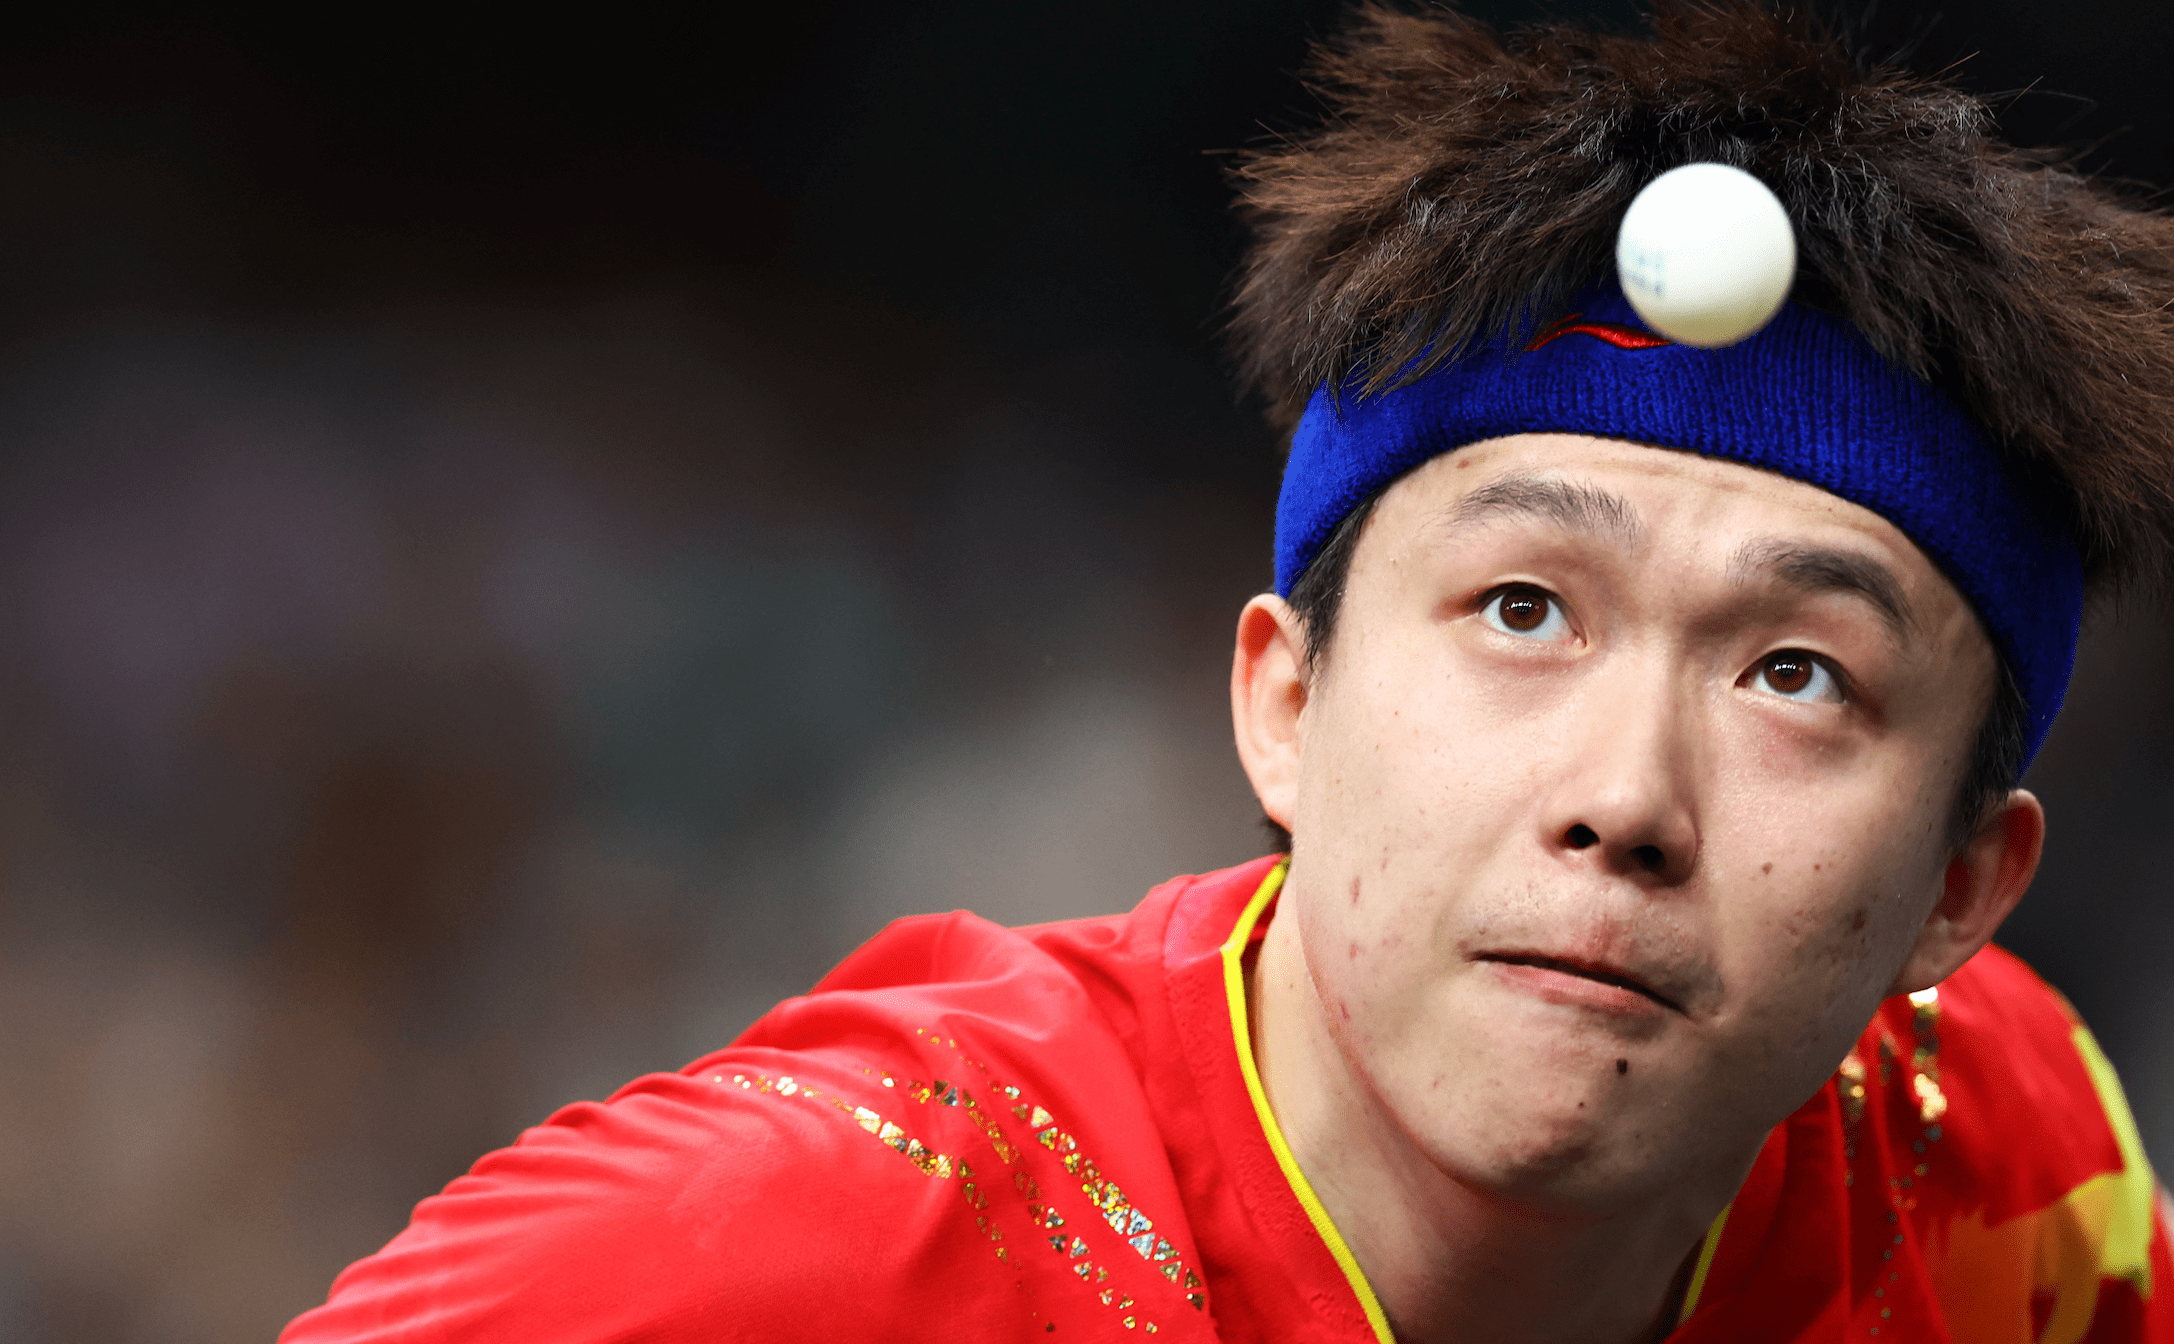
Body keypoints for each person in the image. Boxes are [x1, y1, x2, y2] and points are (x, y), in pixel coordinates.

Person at [282, 5, 2174, 1341]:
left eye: (1797, 675)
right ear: (1283, 701)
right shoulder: (774, 1259)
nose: (1623, 799)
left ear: (1959, 888)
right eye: (1523, 610)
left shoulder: (1993, 1170)